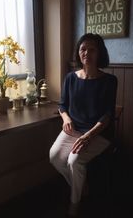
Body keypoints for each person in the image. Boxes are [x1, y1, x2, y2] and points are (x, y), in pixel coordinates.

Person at [49, 33, 118, 217]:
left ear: (99, 53)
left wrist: (89, 136)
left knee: (74, 160)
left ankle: (75, 204)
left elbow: (107, 115)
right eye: (83, 49)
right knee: (54, 156)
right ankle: (81, 186)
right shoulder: (71, 78)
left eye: (91, 49)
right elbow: (62, 105)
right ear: (78, 53)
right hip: (74, 128)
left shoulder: (109, 81)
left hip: (99, 133)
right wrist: (66, 119)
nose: (86, 52)